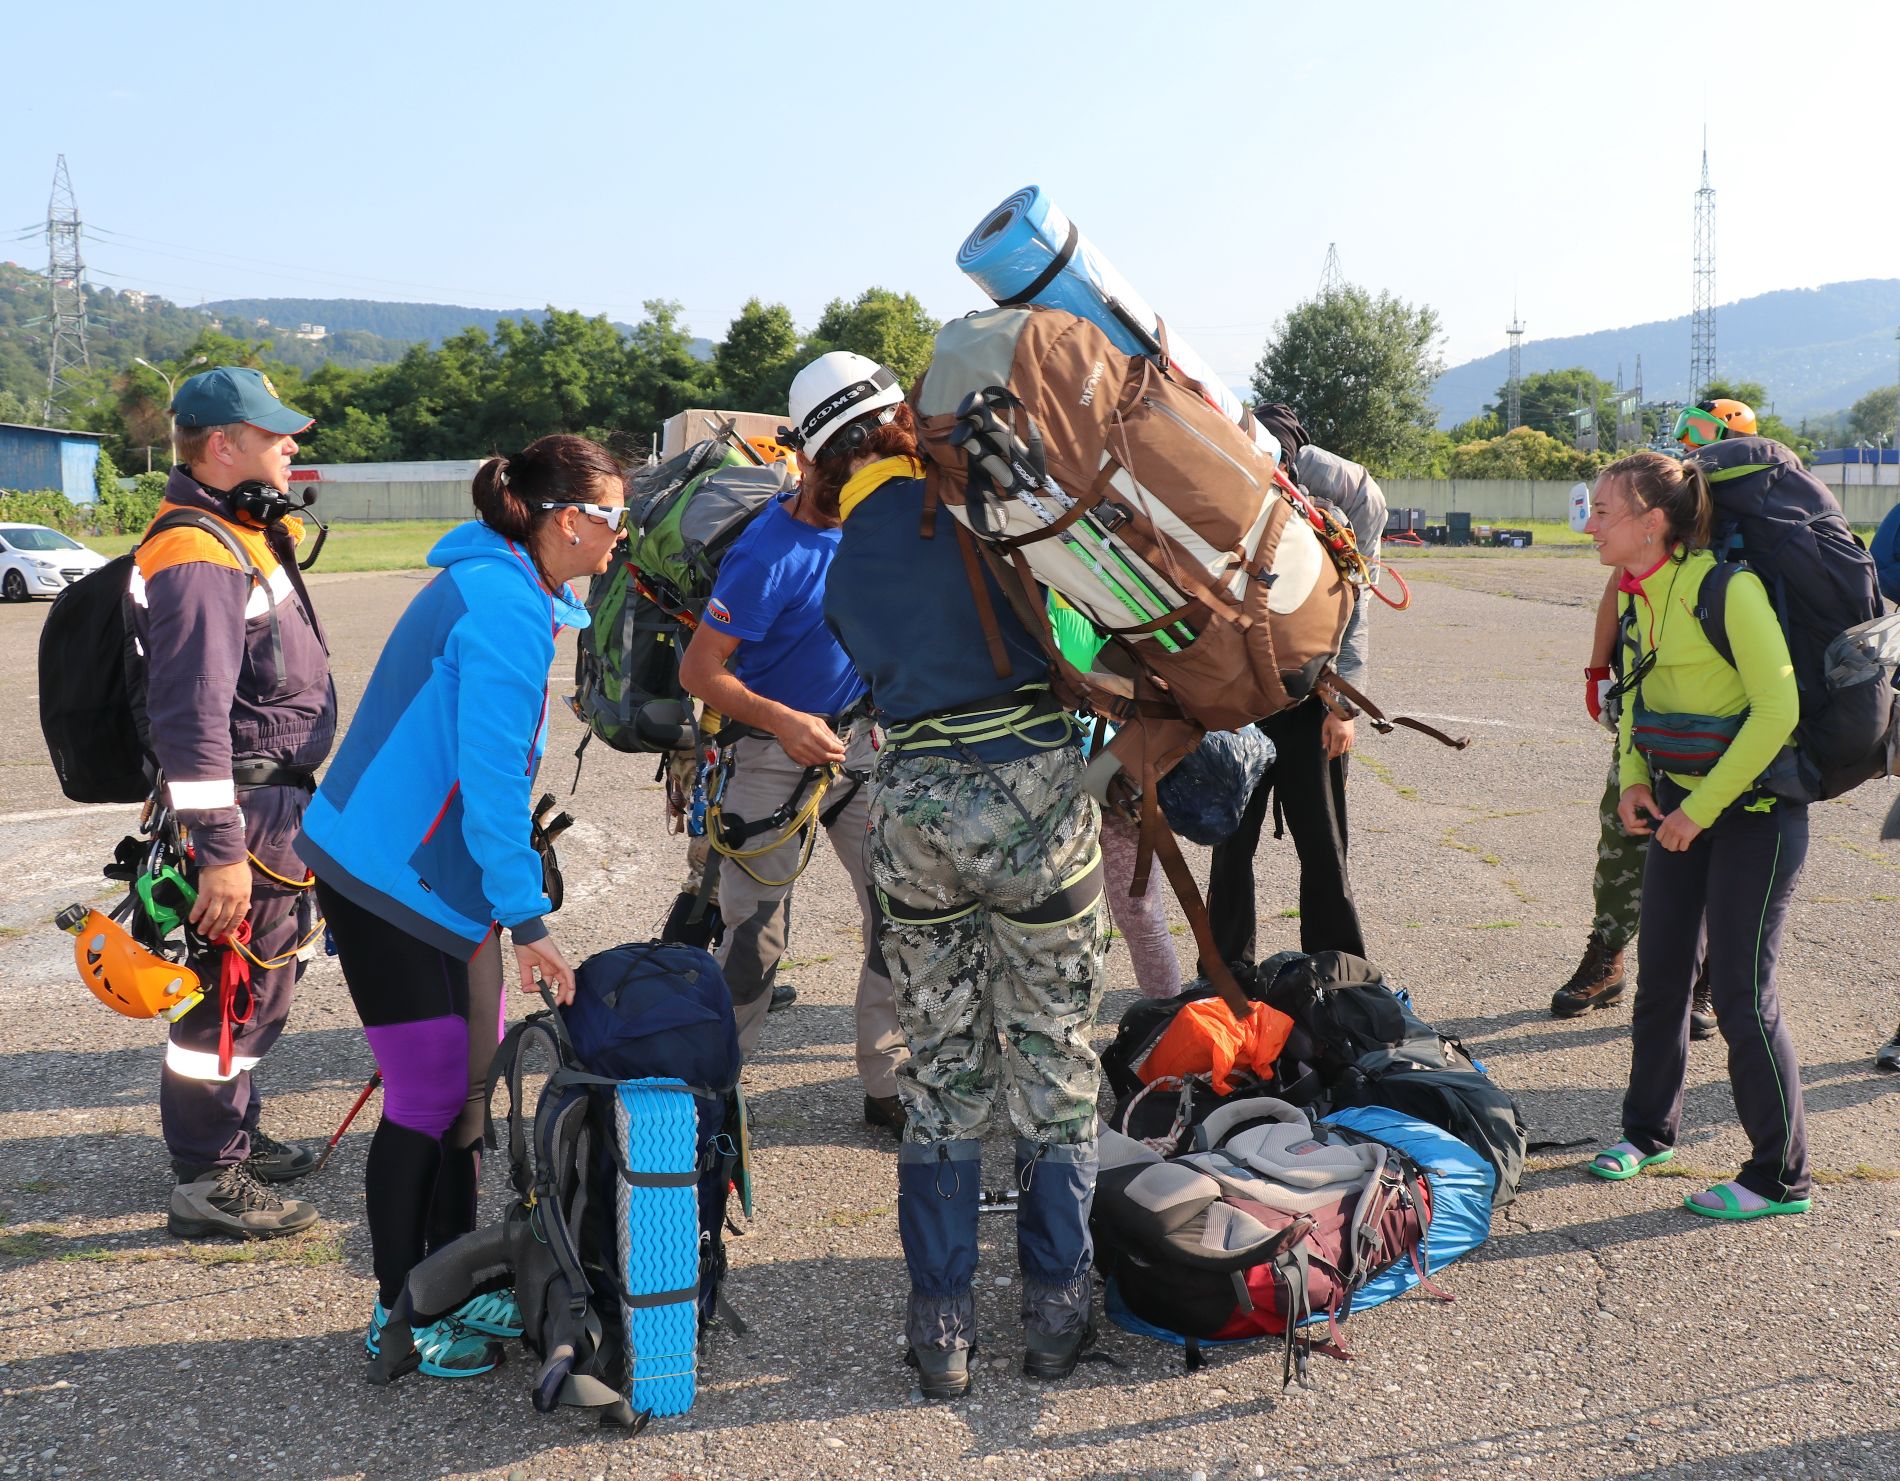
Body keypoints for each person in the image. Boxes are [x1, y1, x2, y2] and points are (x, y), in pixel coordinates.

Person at [807, 351, 1109, 1398]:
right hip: (1032, 800)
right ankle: (1053, 1309)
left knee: (939, 1071)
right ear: (900, 419)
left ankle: (940, 1327)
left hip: (913, 814)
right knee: (1053, 1061)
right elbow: (1080, 630)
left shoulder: (840, 558)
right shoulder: (982, 505)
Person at [296, 434, 617, 1374]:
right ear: (567, 521)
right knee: (431, 1093)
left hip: (437, 878)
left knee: (469, 1094)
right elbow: (489, 785)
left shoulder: (510, 586)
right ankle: (399, 1313)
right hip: (384, 876)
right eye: (615, 518)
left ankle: (453, 1284)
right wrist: (529, 921)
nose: (620, 536)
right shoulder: (503, 611)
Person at [133, 366, 336, 1241]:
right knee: (232, 993)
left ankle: (230, 1135)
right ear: (223, 445)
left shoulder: (237, 532)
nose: (291, 444)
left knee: (258, 988)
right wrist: (219, 848)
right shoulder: (198, 551)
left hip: (269, 810)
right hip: (245, 819)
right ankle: (208, 1175)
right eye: (274, 432)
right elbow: (190, 714)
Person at [1582, 450, 1811, 1221]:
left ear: (1652, 522)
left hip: (1755, 819)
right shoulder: (1644, 592)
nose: (1590, 525)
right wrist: (1637, 777)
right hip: (1681, 808)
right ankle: (1649, 1133)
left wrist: (1698, 809)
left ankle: (1780, 1177)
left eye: (1603, 511)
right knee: (1663, 975)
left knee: (1744, 996)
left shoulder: (1728, 588)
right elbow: (1638, 699)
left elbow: (1777, 714)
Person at [676, 426, 908, 1136]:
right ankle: (714, 1096)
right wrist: (783, 721)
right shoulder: (765, 553)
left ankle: (889, 1081)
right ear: (805, 463)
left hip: (860, 744)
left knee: (900, 913)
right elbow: (699, 671)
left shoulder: (877, 524)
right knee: (755, 941)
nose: (854, 499)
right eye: (842, 482)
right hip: (773, 758)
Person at [1205, 403, 1380, 967]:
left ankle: (1338, 964)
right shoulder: (1213, 477)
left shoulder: (1344, 495)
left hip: (1313, 694)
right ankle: (1227, 967)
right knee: (1231, 843)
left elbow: (1357, 601)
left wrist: (1343, 704)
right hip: (1240, 695)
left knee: (1324, 847)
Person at [1552, 573, 1716, 1040]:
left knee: (1711, 848)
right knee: (1622, 836)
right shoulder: (1651, 517)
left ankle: (1707, 977)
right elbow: (1615, 586)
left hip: (1718, 714)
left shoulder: (1736, 528)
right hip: (1644, 705)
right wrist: (1599, 670)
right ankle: (1608, 956)